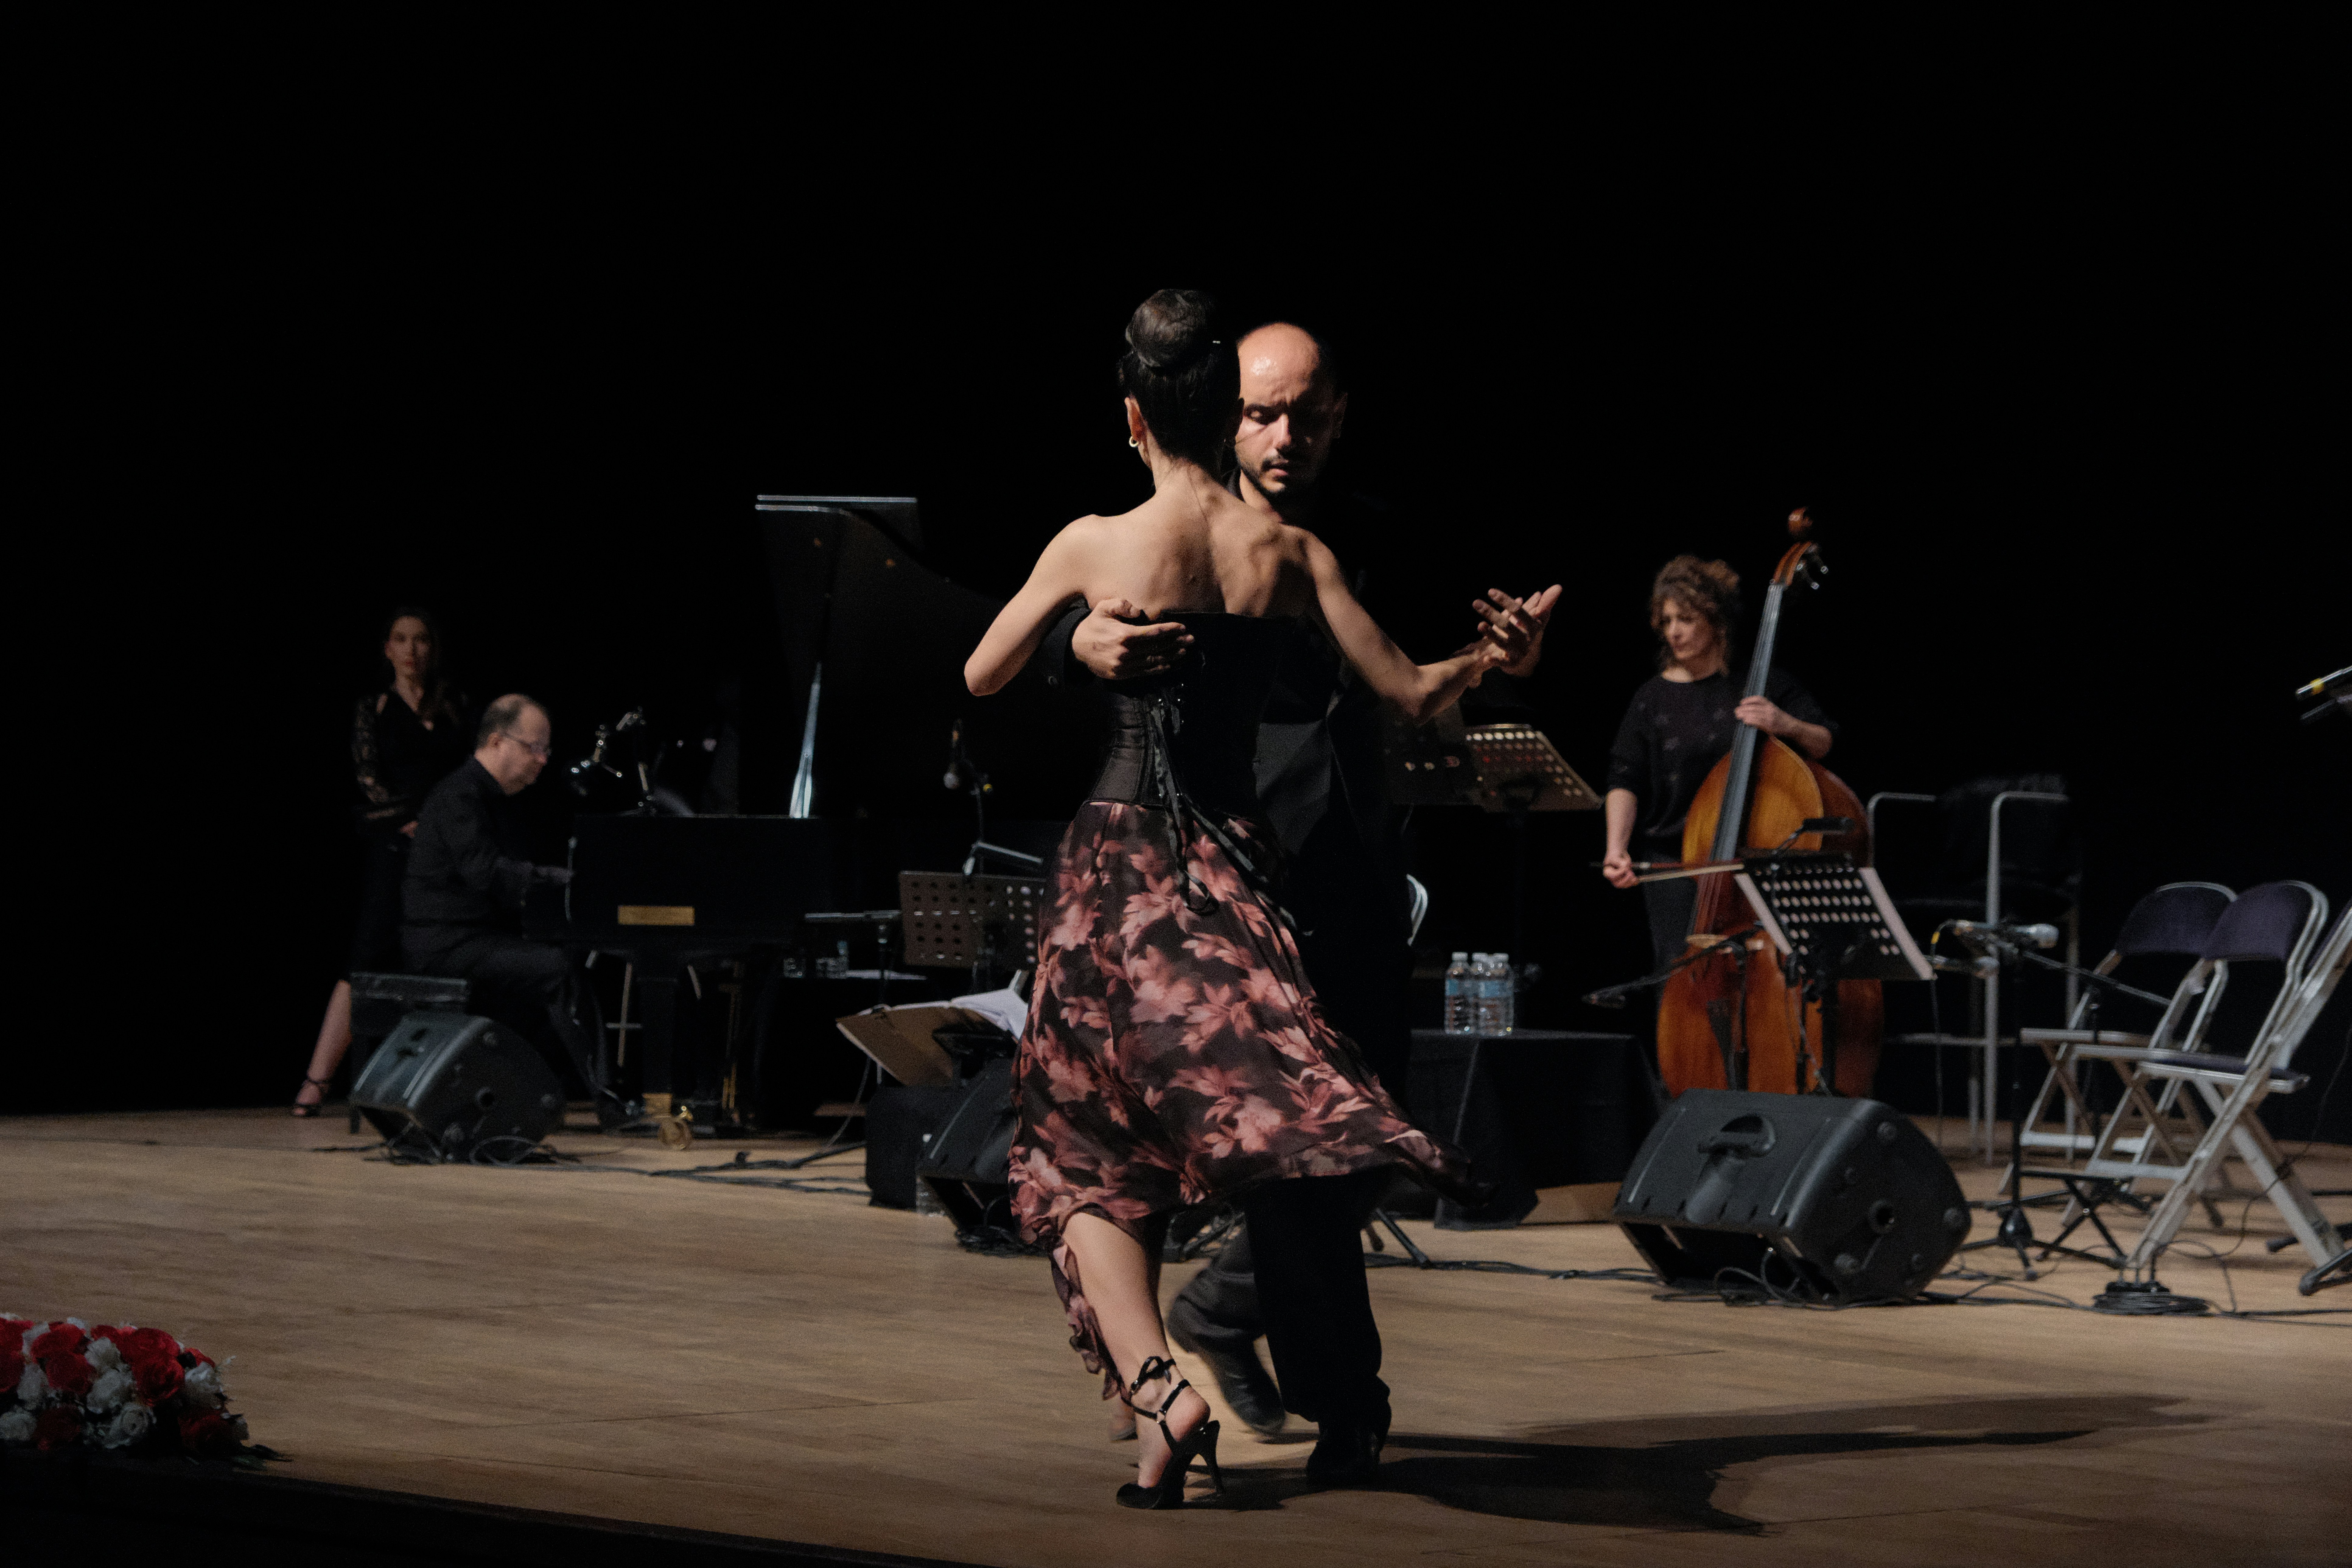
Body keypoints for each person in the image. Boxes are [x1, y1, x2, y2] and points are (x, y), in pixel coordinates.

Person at [965, 290, 1503, 1511]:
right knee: (1199, 1122)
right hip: (1234, 870)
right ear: (1229, 417)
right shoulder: (1289, 555)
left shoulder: (1101, 538)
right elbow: (1414, 688)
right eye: (1263, 413)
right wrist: (1487, 663)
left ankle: (1176, 1383)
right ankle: (1176, 1384)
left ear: (1135, 415)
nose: (1287, 436)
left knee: (1086, 1138)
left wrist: (1079, 633)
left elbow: (979, 669)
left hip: (1131, 866)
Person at [1599, 555, 1839, 969]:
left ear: (1716, 621)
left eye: (1686, 619)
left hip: (1750, 861)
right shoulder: (1651, 698)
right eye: (1667, 621)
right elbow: (1625, 777)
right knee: (1681, 980)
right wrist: (1615, 848)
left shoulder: (1761, 684)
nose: (1674, 632)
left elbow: (1824, 741)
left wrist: (1784, 724)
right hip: (1672, 863)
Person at [294, 609, 471, 1116]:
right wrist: (406, 823)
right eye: (401, 640)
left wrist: (441, 829)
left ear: (432, 648)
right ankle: (316, 1081)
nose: (412, 650)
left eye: (421, 640)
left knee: (442, 955)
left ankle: (434, 1082)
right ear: (387, 649)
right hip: (394, 843)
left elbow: (464, 775)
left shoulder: (455, 705)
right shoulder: (373, 707)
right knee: (366, 955)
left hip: (446, 849)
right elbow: (367, 776)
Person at [402, 694, 594, 1095]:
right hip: (445, 945)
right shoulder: (460, 797)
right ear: (496, 742)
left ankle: (534, 1089)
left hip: (472, 939)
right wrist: (555, 879)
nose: (543, 760)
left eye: (547, 749)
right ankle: (594, 1093)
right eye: (535, 748)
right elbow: (484, 872)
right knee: (555, 972)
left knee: (560, 965)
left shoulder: (494, 798)